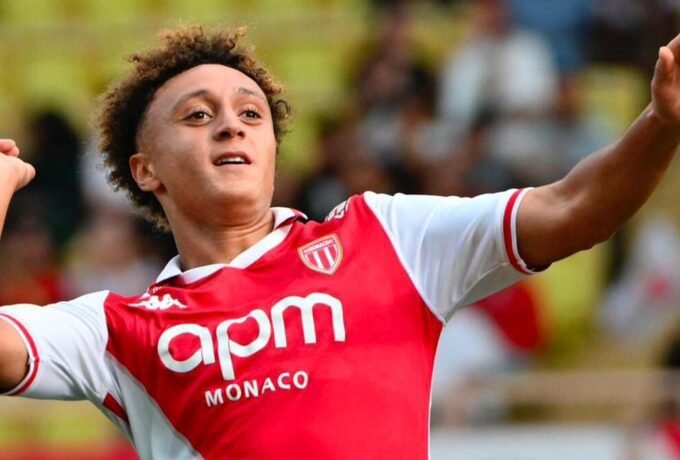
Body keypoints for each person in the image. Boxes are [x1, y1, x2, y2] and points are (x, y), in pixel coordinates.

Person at [0, 24, 679, 459]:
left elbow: (572, 208)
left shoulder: (385, 235)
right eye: (197, 116)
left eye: (251, 114)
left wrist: (660, 120)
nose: (231, 126)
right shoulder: (119, 328)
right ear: (146, 170)